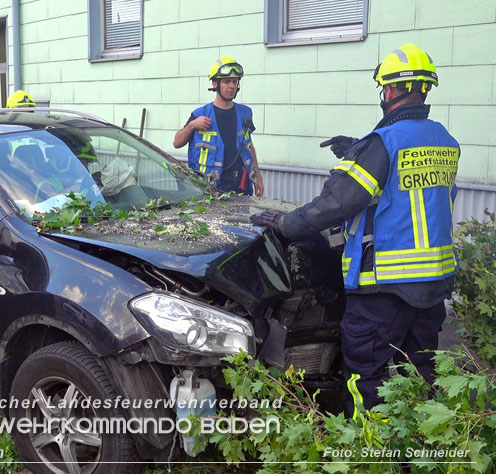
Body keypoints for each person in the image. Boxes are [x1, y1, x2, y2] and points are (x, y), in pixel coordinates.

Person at [250, 44, 459, 417]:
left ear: (391, 91)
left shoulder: (385, 143)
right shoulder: (443, 139)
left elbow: (337, 203)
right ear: (424, 89)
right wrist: (358, 150)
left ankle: (369, 453)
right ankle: (419, 446)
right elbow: (416, 193)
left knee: (367, 377)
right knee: (419, 371)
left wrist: (284, 226)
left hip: (384, 288)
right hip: (432, 285)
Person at [173, 57, 264, 197]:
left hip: (241, 186)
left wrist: (258, 179)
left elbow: (249, 146)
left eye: (235, 81)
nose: (232, 86)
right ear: (215, 84)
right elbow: (177, 143)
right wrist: (192, 125)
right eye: (227, 82)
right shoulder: (200, 115)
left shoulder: (244, 113)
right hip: (210, 190)